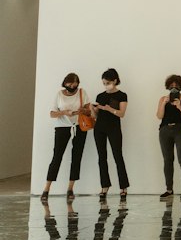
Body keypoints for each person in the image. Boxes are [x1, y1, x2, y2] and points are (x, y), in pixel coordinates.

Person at [41, 73, 92, 201]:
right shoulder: (59, 94)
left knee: (77, 156)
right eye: (70, 84)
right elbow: (52, 114)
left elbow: (89, 111)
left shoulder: (82, 92)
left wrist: (82, 111)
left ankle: (70, 189)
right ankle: (46, 189)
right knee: (57, 156)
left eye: (75, 84)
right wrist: (64, 112)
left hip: (79, 127)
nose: (72, 86)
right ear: (65, 83)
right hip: (62, 127)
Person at [157, 75, 181, 199]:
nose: (174, 88)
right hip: (164, 130)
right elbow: (159, 116)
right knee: (167, 160)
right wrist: (164, 103)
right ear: (168, 86)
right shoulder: (163, 98)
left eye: (176, 86)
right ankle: (169, 189)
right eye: (171, 86)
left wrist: (179, 106)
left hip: (180, 130)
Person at [92, 68, 129, 200]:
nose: (106, 85)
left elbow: (122, 114)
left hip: (114, 128)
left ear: (114, 81)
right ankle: (104, 186)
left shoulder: (122, 95)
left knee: (117, 156)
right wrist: (94, 110)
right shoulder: (100, 96)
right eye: (104, 83)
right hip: (99, 128)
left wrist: (108, 108)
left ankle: (123, 187)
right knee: (102, 157)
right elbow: (96, 116)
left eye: (108, 82)